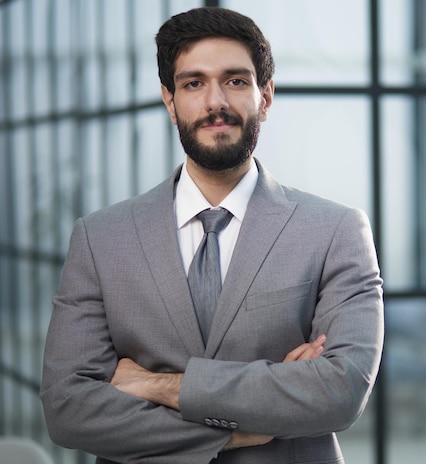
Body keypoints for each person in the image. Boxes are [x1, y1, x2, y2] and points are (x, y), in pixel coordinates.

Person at [40, 6, 383, 464]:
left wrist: (154, 384)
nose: (215, 102)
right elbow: (67, 408)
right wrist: (230, 433)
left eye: (236, 81)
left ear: (266, 96)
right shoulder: (100, 239)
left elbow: (340, 392)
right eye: (193, 83)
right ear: (170, 100)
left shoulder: (336, 230)